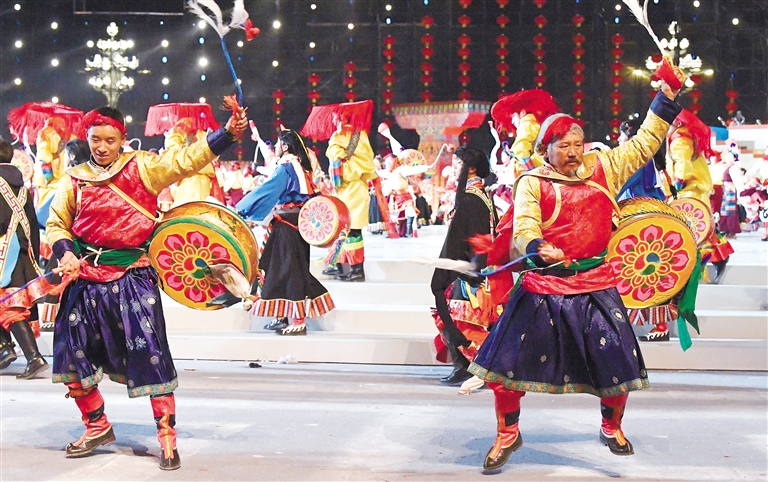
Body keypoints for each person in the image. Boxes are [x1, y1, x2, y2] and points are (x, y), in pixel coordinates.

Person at [468, 80, 683, 471]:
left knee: (618, 360)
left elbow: (644, 142)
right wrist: (537, 246)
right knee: (503, 368)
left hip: (596, 284)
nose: (572, 152)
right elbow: (525, 226)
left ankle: (611, 427)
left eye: (577, 143)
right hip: (544, 286)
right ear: (545, 150)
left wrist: (665, 99)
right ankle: (508, 433)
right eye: (563, 145)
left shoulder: (604, 168)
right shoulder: (533, 182)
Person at [47, 105, 247, 470]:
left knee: (152, 355)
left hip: (133, 279)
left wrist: (227, 133)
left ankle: (166, 435)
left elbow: (187, 160)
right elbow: (57, 223)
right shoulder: (73, 179)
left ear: (123, 139)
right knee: (69, 351)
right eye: (95, 140)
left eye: (110, 140)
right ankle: (97, 426)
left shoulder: (143, 167)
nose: (102, 147)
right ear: (86, 139)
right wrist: (66, 252)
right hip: (86, 279)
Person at [236, 129, 335, 336]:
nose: (275, 147)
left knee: (289, 269)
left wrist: (243, 208)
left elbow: (268, 190)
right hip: (295, 223)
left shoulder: (287, 167)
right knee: (279, 268)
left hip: (287, 225)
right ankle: (281, 315)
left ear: (286, 146)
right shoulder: (301, 167)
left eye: (278, 143)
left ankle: (297, 320)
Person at [430, 147, 496, 386]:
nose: (454, 168)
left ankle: (467, 366)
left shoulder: (470, 199)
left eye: (458, 164)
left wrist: (447, 268)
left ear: (472, 168)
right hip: (474, 265)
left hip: (467, 267)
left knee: (458, 315)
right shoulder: (481, 195)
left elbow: (462, 238)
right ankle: (466, 365)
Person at [0, 139, 48, 378]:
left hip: (3, 256)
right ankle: (4, 348)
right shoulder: (21, 185)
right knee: (11, 303)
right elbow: (32, 222)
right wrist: (34, 258)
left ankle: (33, 357)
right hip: (21, 253)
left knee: (8, 307)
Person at [322, 103, 378, 282]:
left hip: (354, 188)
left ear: (342, 117)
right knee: (341, 229)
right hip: (343, 190)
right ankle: (340, 265)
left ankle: (357, 270)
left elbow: (362, 164)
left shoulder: (356, 136)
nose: (333, 120)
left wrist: (341, 163)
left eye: (335, 117)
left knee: (352, 231)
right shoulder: (340, 136)